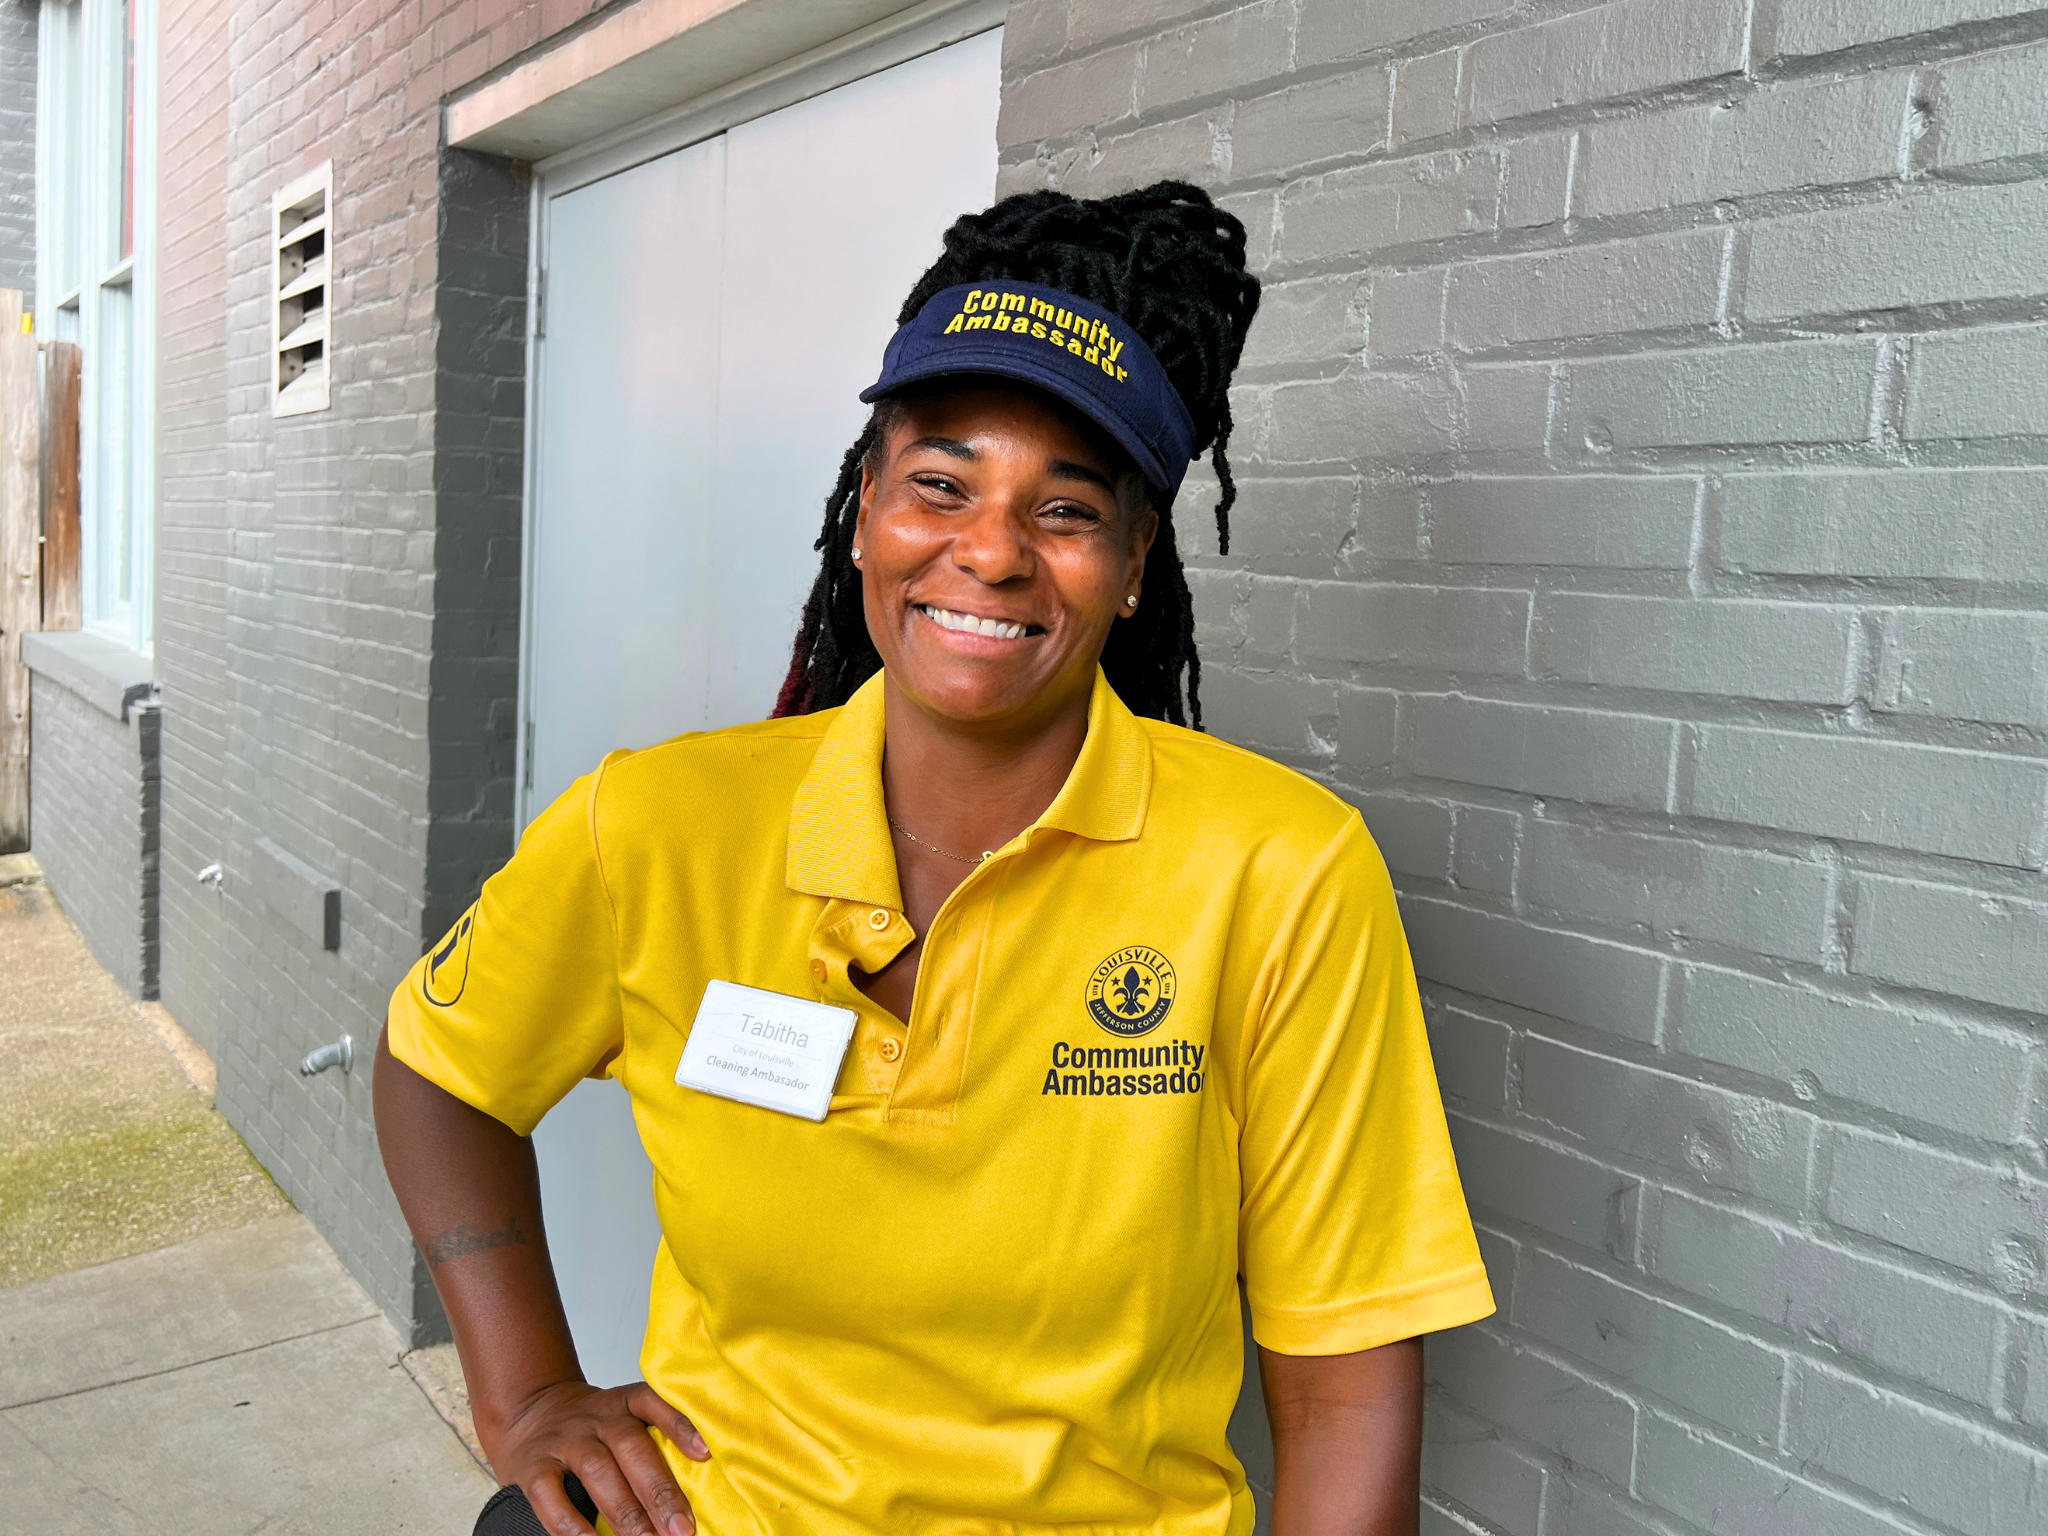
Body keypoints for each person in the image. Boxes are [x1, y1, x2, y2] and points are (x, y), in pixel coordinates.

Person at [376, 181, 1493, 1536]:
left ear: (1135, 566)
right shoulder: (660, 824)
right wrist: (526, 1391)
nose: (991, 552)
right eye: (942, 486)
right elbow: (441, 1070)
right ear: (865, 515)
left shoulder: (1279, 871)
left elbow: (1344, 1386)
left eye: (1067, 511)